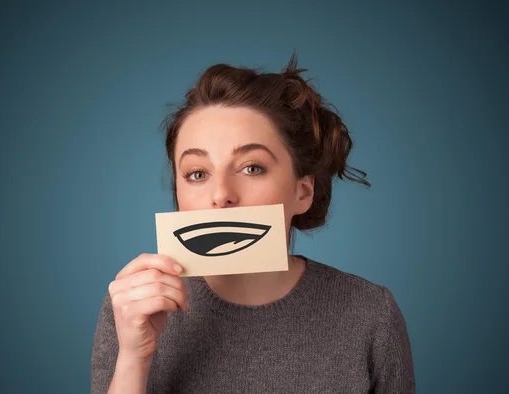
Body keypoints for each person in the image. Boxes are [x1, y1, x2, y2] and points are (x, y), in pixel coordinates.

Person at [91, 54, 415, 394]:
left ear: (302, 192)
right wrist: (134, 357)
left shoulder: (370, 313)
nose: (221, 194)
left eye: (252, 167)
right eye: (197, 174)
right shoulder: (132, 308)